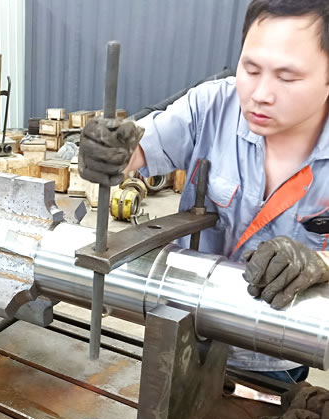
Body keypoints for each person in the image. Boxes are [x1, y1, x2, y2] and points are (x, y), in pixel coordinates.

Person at [79, 0, 329, 383]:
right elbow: (138, 148)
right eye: (251, 69)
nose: (261, 93)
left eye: (287, 77)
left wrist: (321, 263)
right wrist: (108, 151)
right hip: (186, 331)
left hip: (276, 351)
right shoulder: (212, 107)